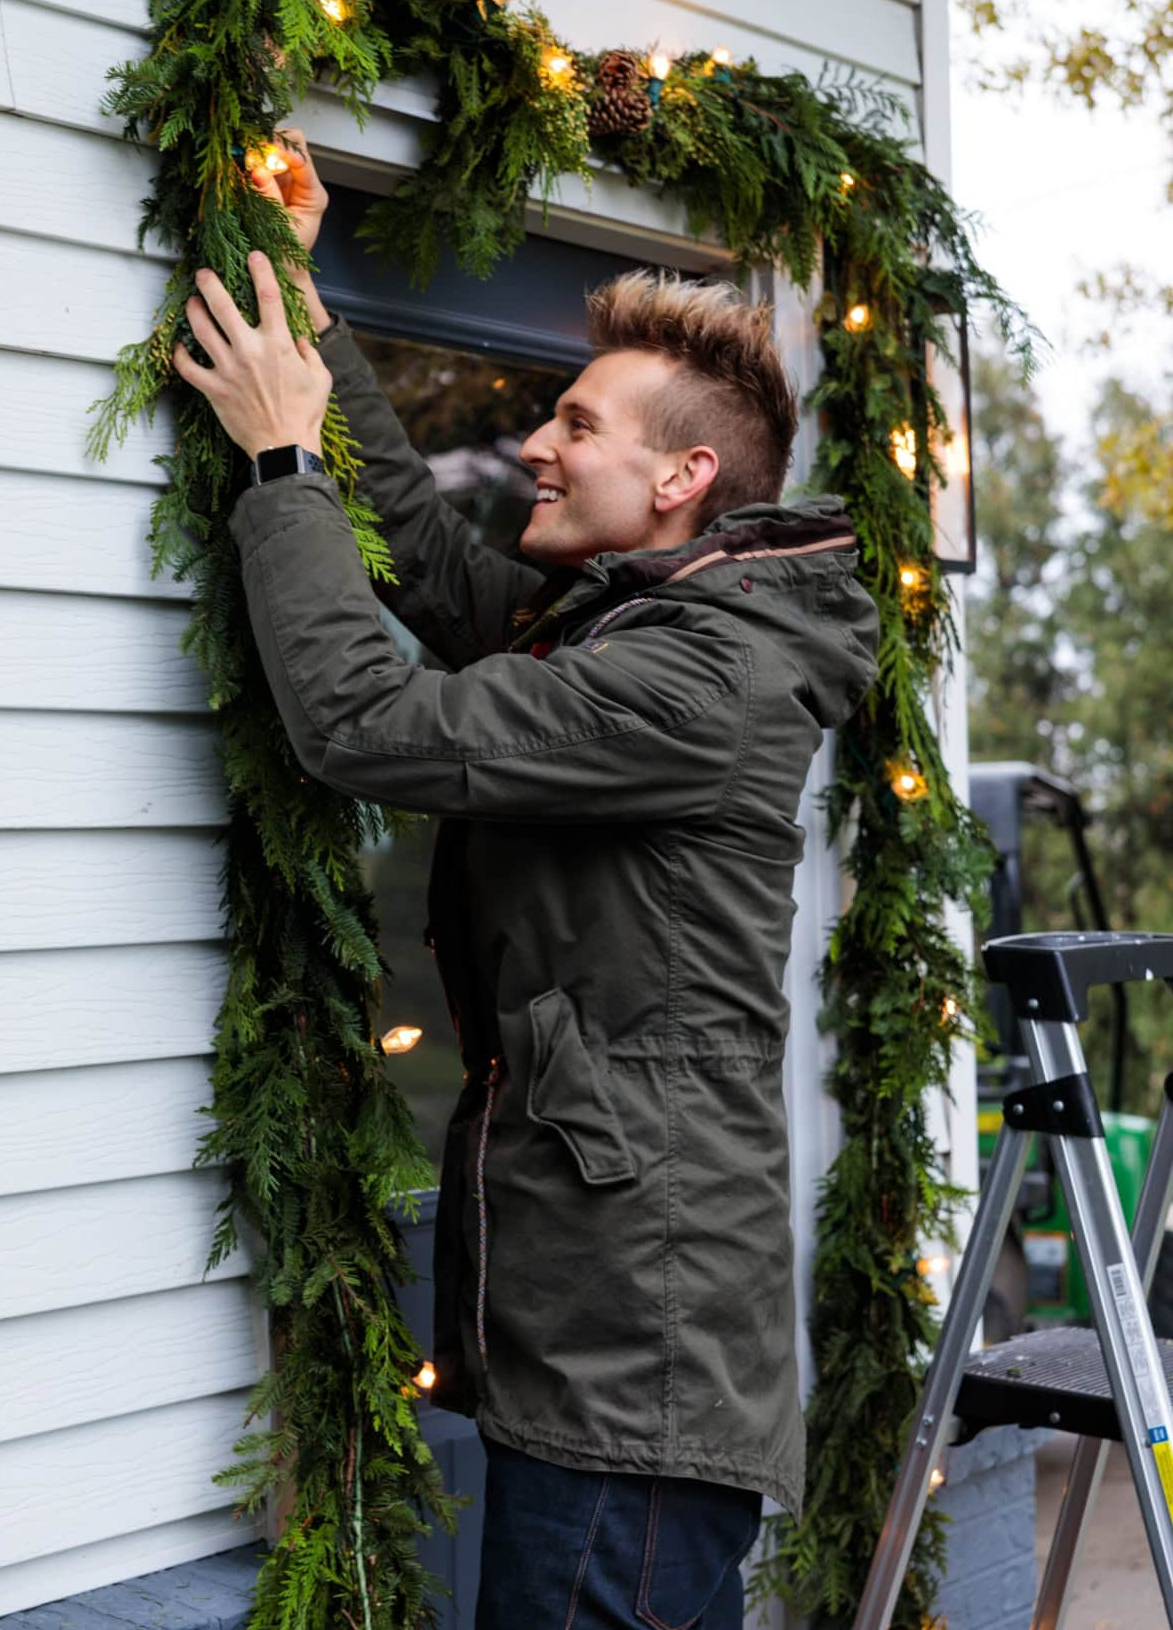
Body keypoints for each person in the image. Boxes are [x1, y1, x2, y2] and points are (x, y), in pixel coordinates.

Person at [173, 132, 880, 1630]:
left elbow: (369, 721)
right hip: (608, 1332)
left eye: (575, 424)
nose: (537, 446)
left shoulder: (696, 679)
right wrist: (309, 313)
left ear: (685, 477)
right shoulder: (626, 634)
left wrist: (285, 465)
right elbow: (427, 566)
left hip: (639, 1361)